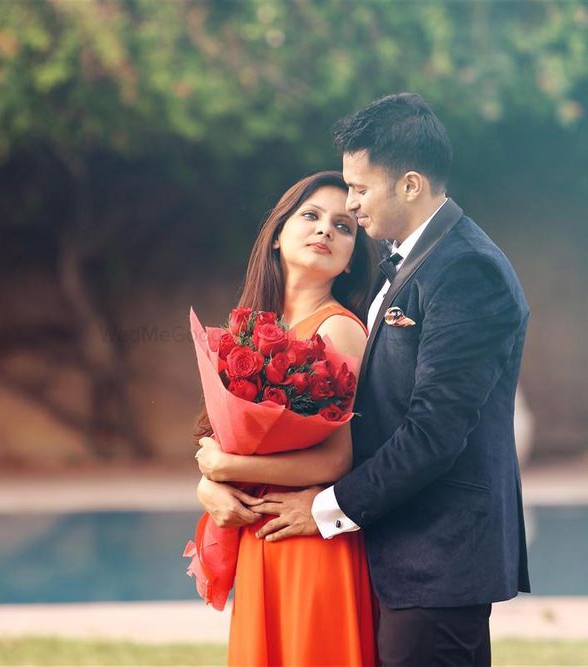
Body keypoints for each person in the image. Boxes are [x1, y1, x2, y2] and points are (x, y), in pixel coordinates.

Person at [251, 93, 531, 667]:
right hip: (400, 553)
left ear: (409, 184)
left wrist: (325, 508)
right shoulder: (411, 261)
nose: (351, 206)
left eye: (359, 188)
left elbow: (435, 431)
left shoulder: (466, 269)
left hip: (438, 561)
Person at [194, 170, 380, 666]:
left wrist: (226, 470)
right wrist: (208, 487)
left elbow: (337, 459)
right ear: (278, 235)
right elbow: (226, 443)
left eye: (344, 227)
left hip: (310, 539)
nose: (326, 231)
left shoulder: (339, 330)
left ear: (348, 261)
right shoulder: (255, 330)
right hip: (264, 534)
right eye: (312, 216)